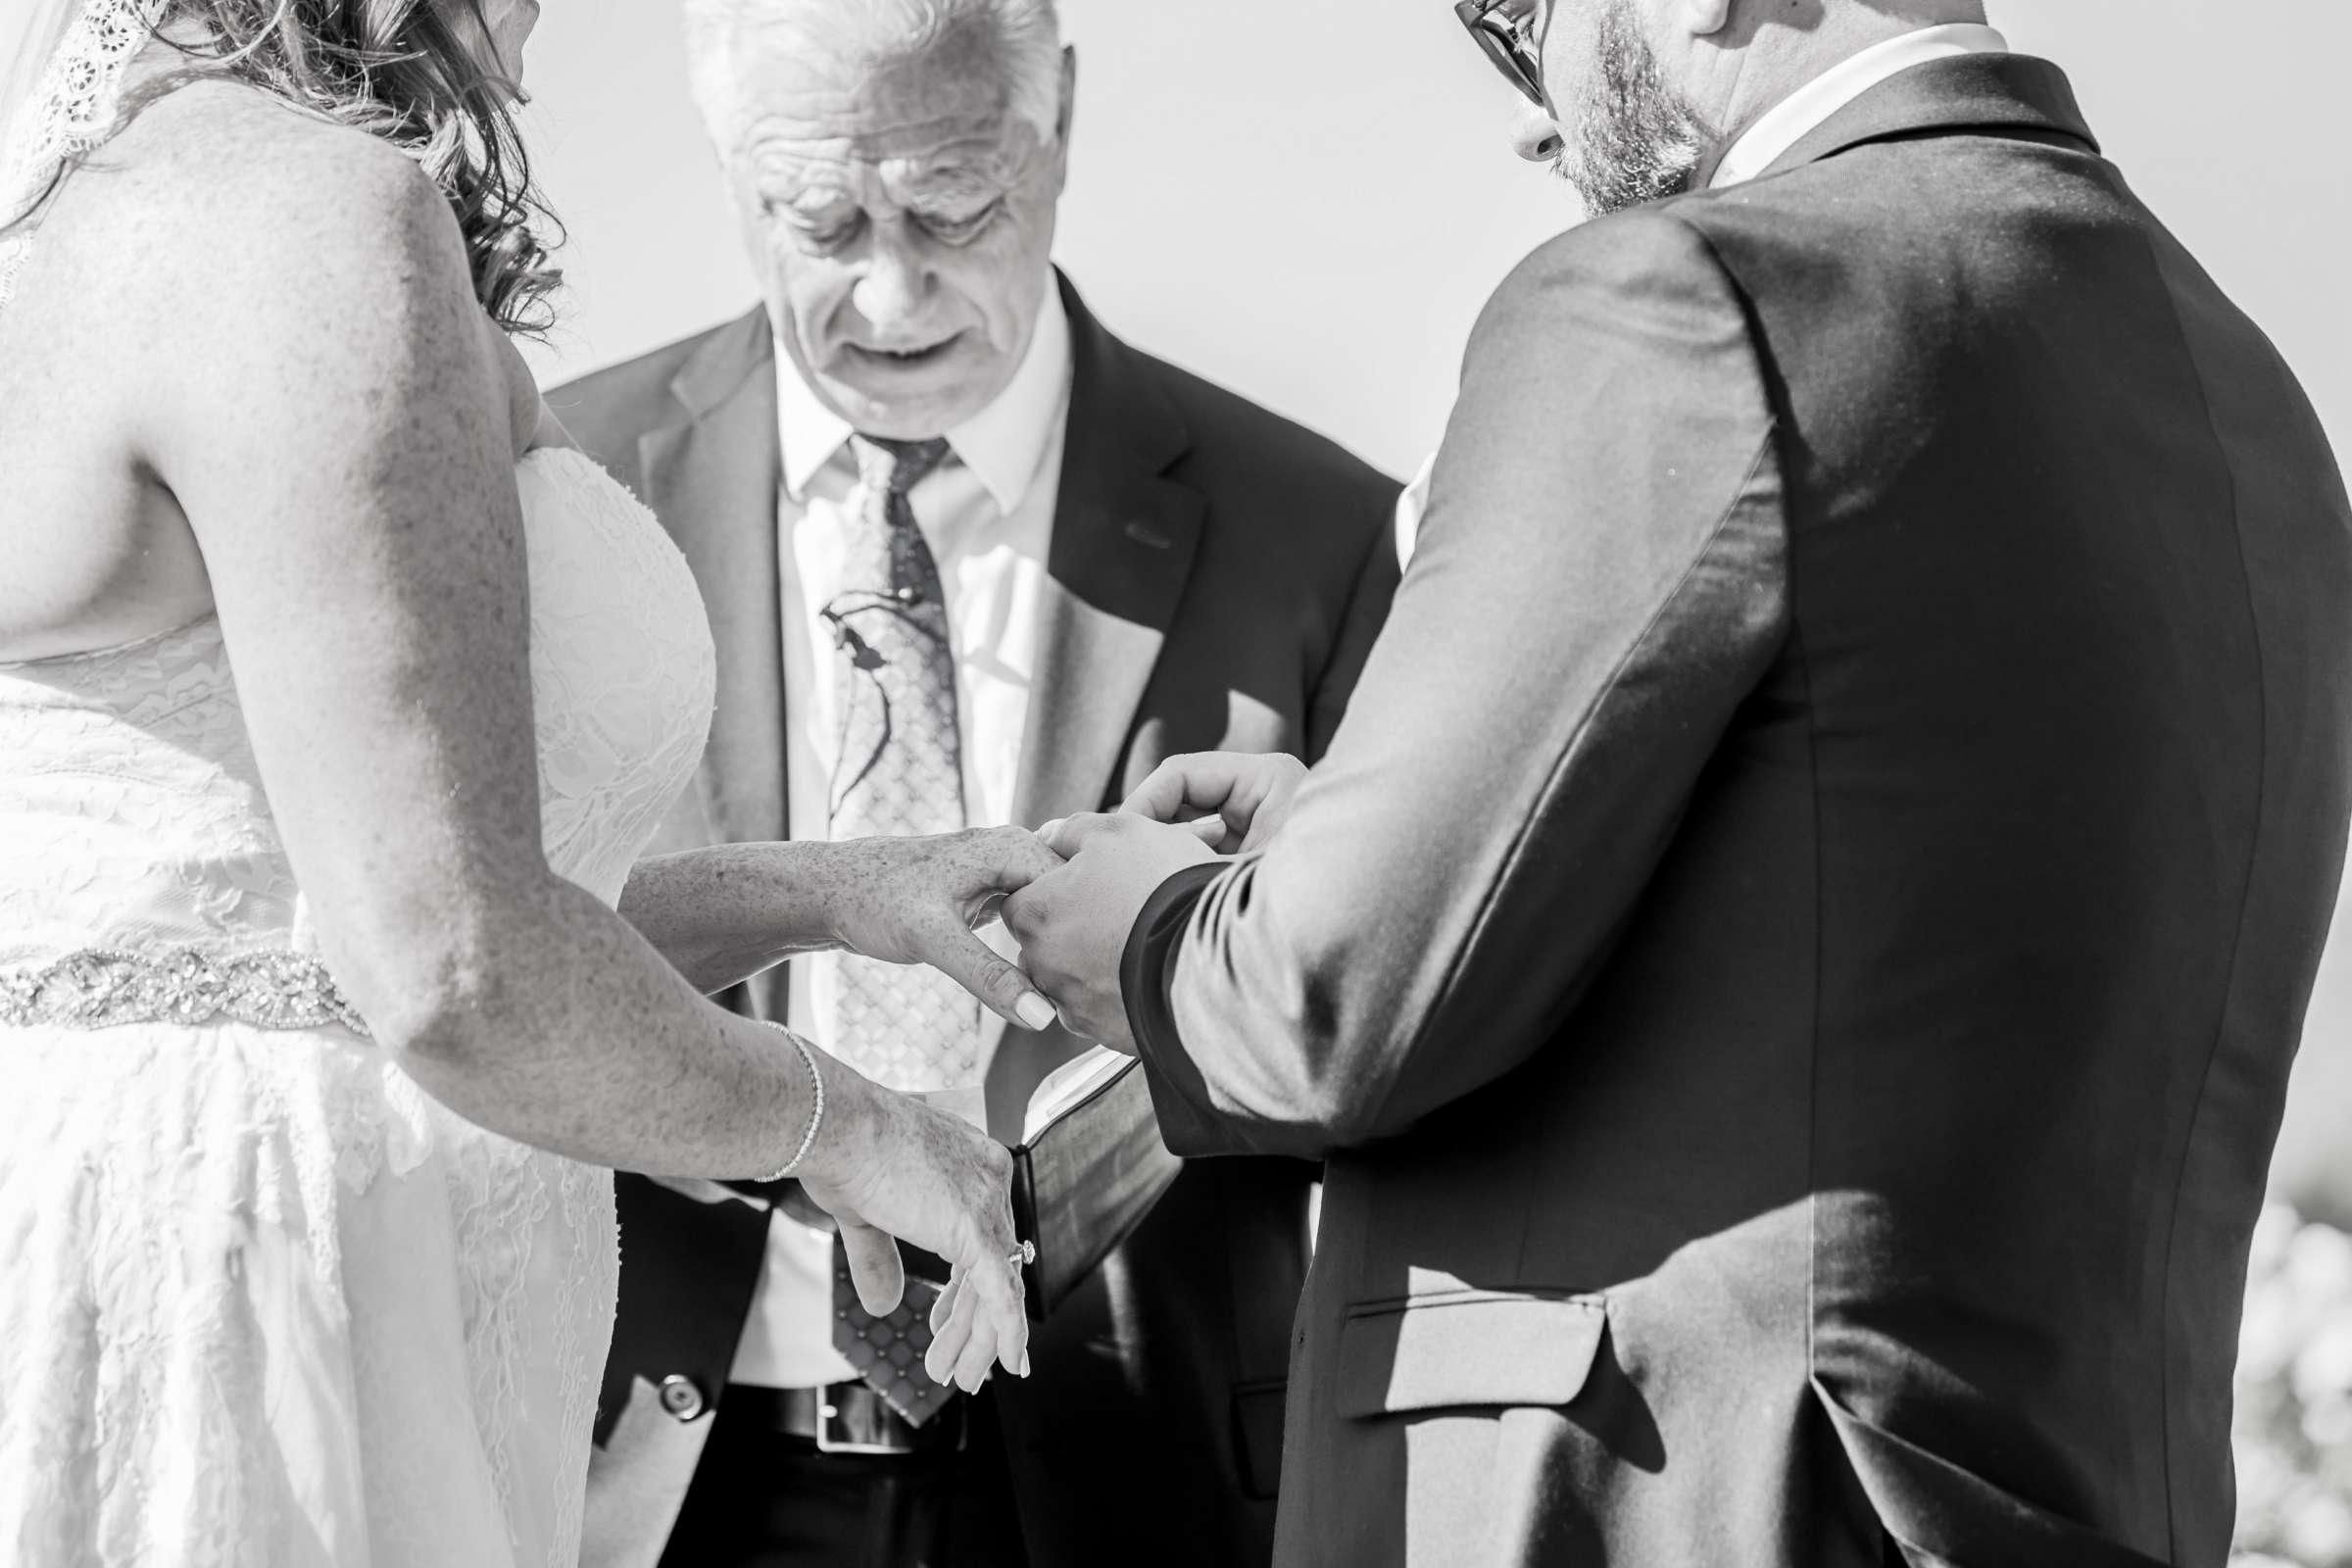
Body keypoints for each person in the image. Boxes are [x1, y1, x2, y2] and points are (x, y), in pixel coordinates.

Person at [1006, 2, 2352, 1565]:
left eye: (1524, 22)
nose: (1527, 107)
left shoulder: (1691, 291)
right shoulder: (2260, 411)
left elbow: (1333, 997)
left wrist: (1157, 934)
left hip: (1673, 1505)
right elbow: (1885, 926)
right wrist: (1365, 834)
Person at [0, 3, 1051, 1563]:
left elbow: (291, 935)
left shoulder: (118, 193)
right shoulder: (297, 214)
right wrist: (842, 1122)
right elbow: (452, 969)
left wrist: (829, 896)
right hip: (262, 1310)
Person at [548, 1, 1400, 1562]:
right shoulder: (559, 498)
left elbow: (1369, 1028)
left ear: (1058, 115)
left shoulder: (1326, 535)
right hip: (651, 1462)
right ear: (731, 171)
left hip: (1144, 1476)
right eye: (820, 218)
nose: (891, 288)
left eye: (952, 202)